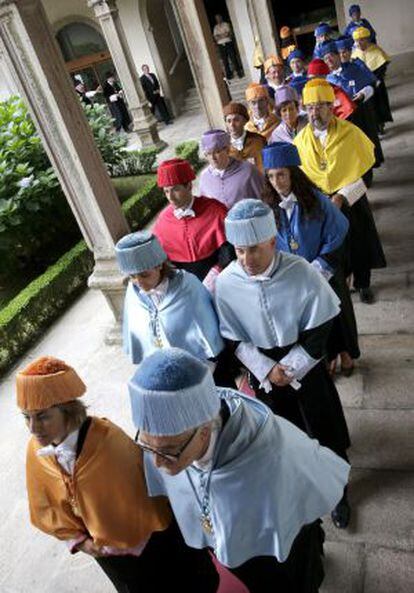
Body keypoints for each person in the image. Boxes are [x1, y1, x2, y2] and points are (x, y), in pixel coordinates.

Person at [129, 347, 350, 593]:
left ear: (204, 432)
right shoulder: (162, 444)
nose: (157, 464)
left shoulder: (270, 450)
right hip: (231, 549)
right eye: (147, 446)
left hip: (276, 550)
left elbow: (298, 508)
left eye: (168, 451)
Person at [17, 356, 219, 593]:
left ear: (67, 411)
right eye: (26, 417)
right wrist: (82, 542)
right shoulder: (36, 451)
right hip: (110, 559)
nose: (32, 428)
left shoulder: (108, 442)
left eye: (42, 416)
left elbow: (148, 502)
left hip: (154, 546)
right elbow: (46, 507)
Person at [214, 199, 351, 528]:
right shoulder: (228, 282)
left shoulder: (300, 271)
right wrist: (265, 369)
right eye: (240, 250)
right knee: (283, 435)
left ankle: (337, 491)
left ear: (272, 242)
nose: (246, 259)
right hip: (264, 370)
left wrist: (290, 368)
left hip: (304, 362)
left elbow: (321, 326)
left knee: (322, 429)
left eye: (254, 250)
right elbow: (233, 337)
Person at [261, 142, 359, 376]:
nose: (277, 182)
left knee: (336, 316)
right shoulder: (268, 206)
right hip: (294, 277)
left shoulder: (316, 200)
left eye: (282, 175)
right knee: (313, 322)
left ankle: (345, 354)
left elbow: (338, 233)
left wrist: (319, 268)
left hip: (324, 270)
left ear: (293, 173)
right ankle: (326, 356)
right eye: (271, 176)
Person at [294, 78, 386, 303]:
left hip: (350, 202)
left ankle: (363, 284)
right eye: (310, 107)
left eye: (320, 106)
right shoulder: (300, 142)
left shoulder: (350, 133)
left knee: (359, 244)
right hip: (319, 205)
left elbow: (366, 174)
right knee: (332, 249)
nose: (315, 112)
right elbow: (300, 179)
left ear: (331, 106)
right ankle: (341, 285)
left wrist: (342, 197)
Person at [114, 231, 235, 386]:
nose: (139, 283)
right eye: (132, 276)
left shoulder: (187, 286)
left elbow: (208, 332)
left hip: (208, 371)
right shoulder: (133, 291)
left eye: (144, 275)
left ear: (159, 265)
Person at [153, 158, 234, 284]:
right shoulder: (163, 220)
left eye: (175, 189)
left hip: (221, 278)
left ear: (189, 186)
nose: (171, 197)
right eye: (166, 191)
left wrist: (217, 271)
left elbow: (230, 248)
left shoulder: (216, 210)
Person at [321, 40, 384, 171]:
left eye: (331, 56)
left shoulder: (354, 68)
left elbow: (371, 86)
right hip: (344, 119)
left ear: (338, 55)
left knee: (367, 142)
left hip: (362, 112)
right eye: (325, 58)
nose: (329, 60)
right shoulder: (326, 79)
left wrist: (362, 94)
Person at [198, 129, 264, 209]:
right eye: (208, 153)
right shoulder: (204, 177)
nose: (212, 158)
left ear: (227, 150)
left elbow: (265, 199)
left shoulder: (248, 171)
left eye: (217, 152)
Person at [352, 27, 393, 134]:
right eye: (357, 41)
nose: (359, 43)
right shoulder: (354, 54)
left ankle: (380, 124)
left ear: (367, 39)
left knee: (378, 105)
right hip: (364, 87)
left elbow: (382, 67)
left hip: (377, 84)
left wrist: (376, 79)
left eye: (362, 40)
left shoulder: (376, 50)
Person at [223, 101, 266, 172]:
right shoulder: (224, 147)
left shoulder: (259, 141)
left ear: (245, 121)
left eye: (236, 120)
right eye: (229, 121)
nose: (232, 125)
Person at [213, 14, 242, 79]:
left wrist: (220, 36)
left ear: (221, 18)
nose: (218, 19)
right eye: (216, 18)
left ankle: (239, 73)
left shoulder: (226, 24)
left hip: (228, 43)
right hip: (221, 45)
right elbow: (215, 37)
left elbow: (228, 34)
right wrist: (223, 34)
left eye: (219, 18)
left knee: (233, 58)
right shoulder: (215, 27)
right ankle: (229, 75)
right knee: (225, 61)